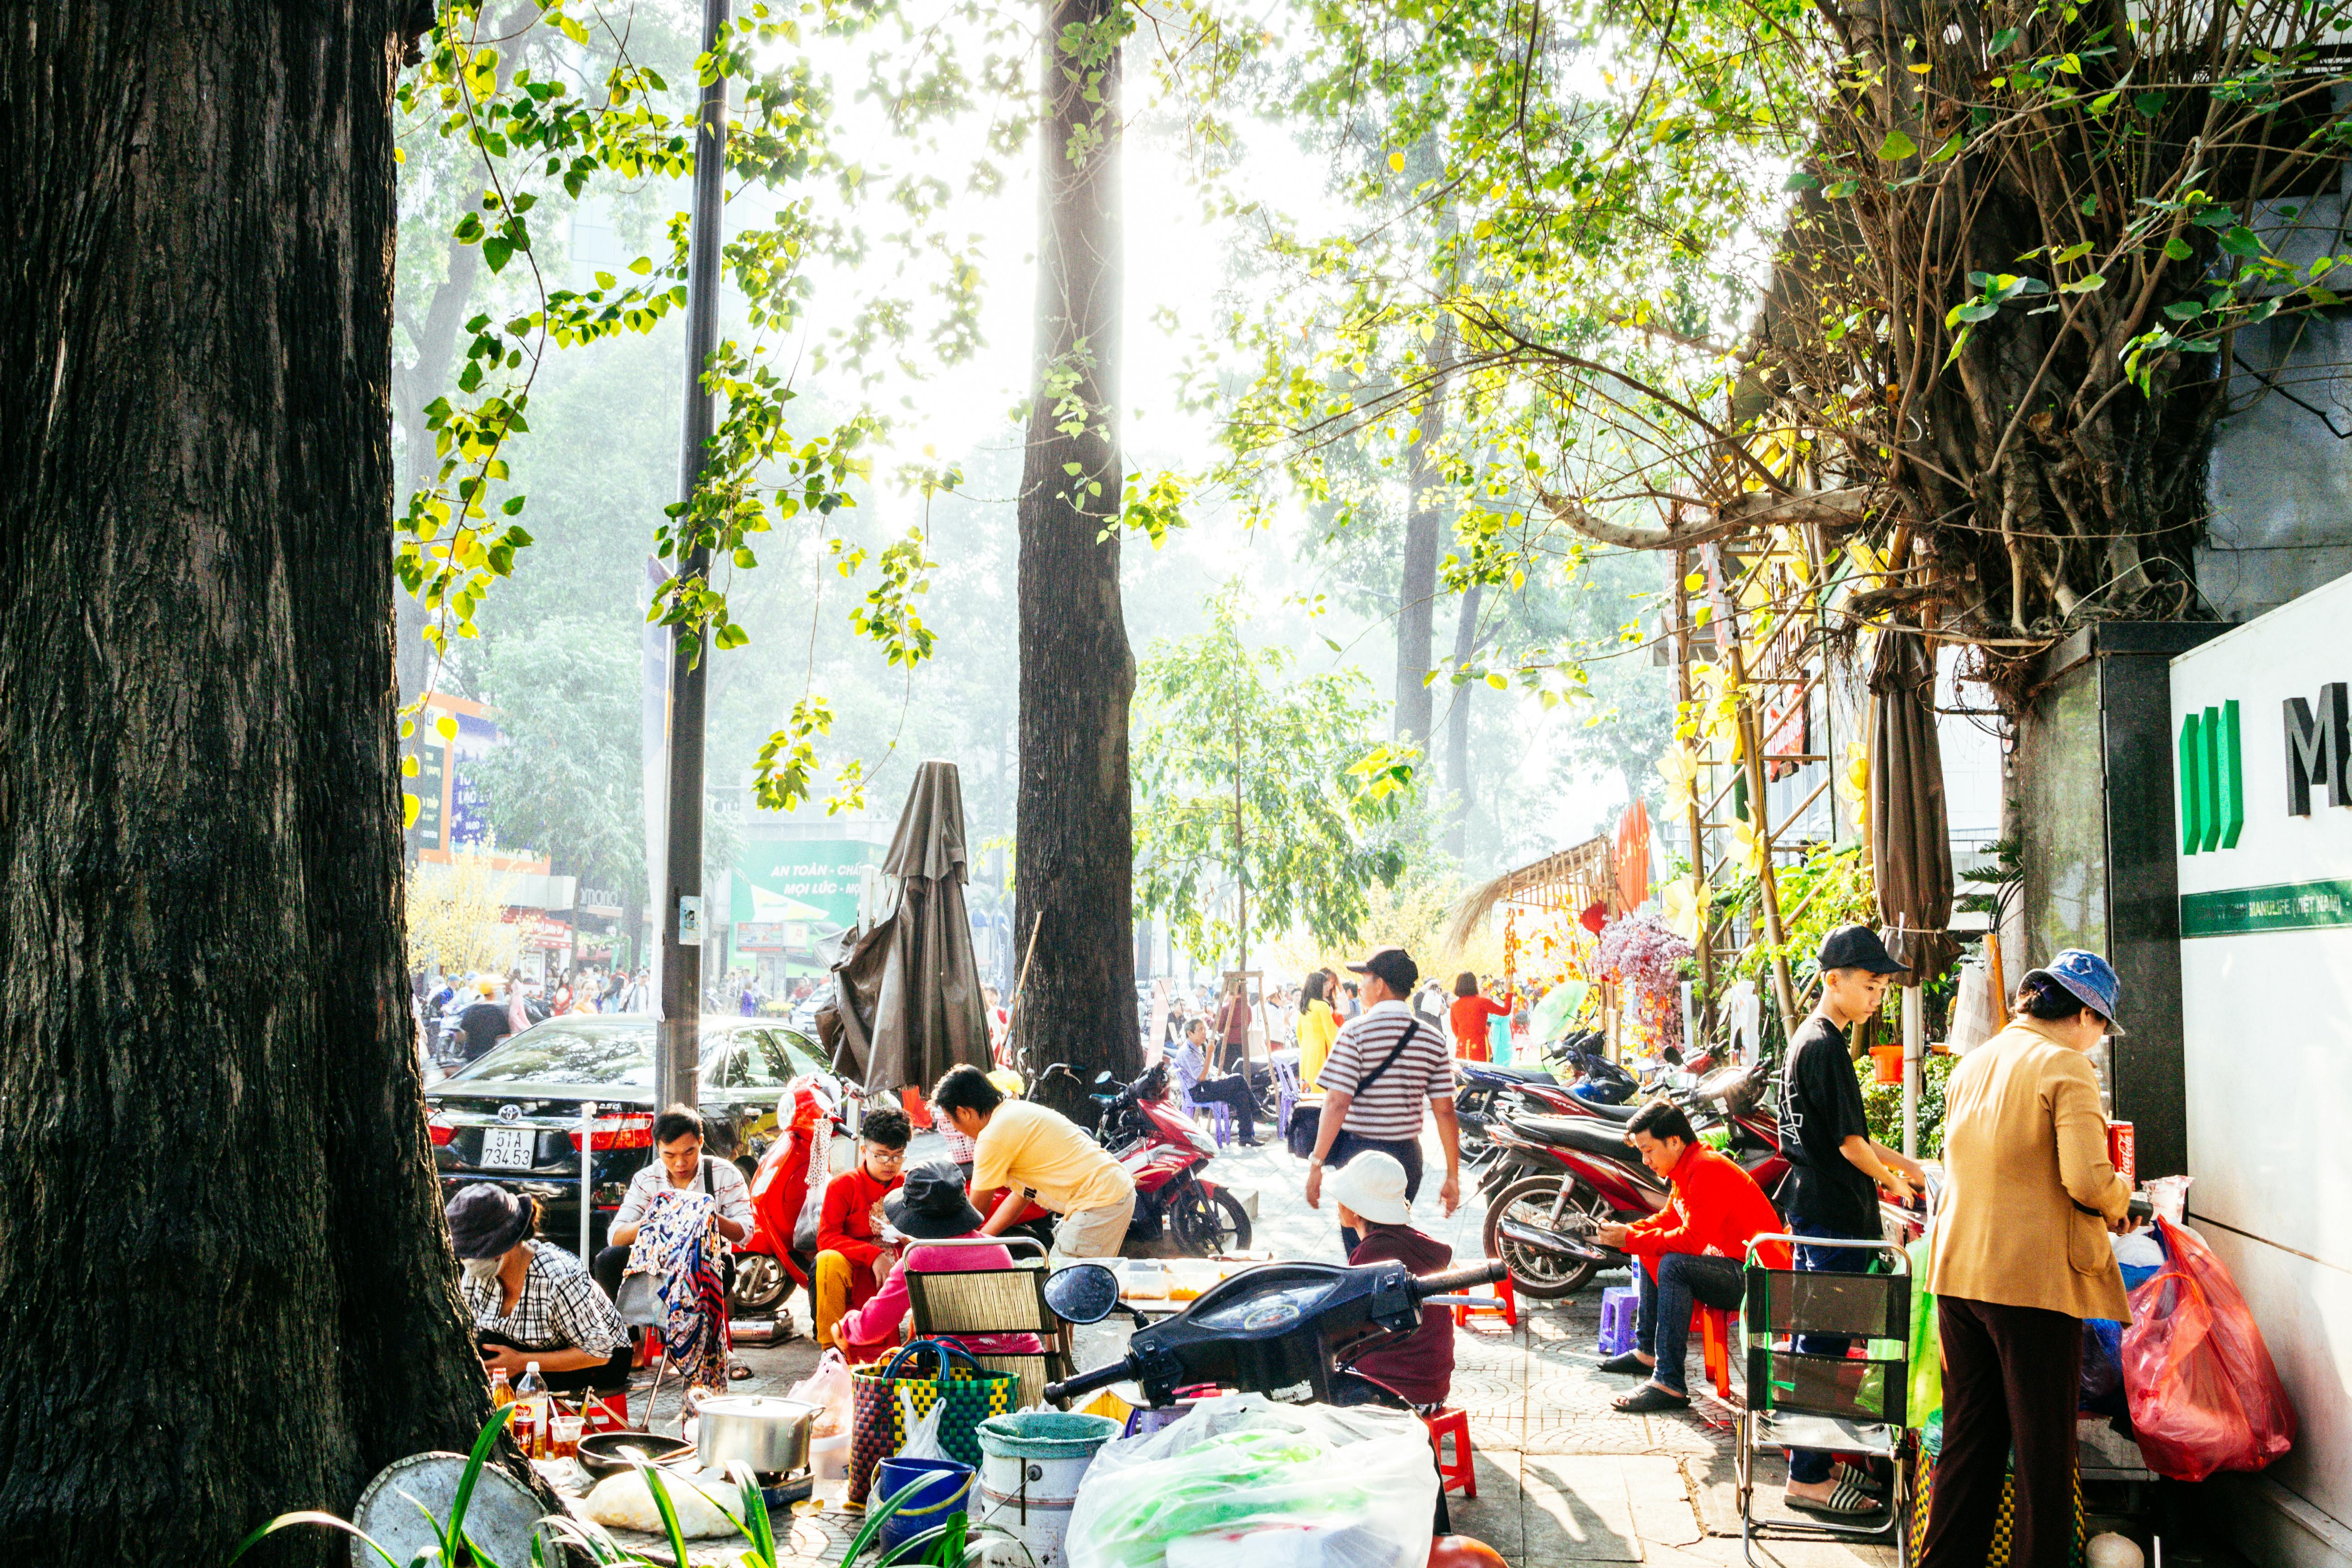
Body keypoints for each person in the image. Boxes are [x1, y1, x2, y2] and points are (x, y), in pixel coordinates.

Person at [1918, 953, 2133, 1568]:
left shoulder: (1976, 1062)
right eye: (2102, 1027)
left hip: (1960, 1277)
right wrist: (2124, 1199)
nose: (2099, 1041)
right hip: (2031, 1286)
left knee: (1969, 1446)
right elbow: (2089, 1180)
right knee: (2044, 1461)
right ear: (2086, 1015)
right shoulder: (2067, 1065)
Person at [1776, 925, 1927, 1517]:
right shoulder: (1827, 1046)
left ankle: (1815, 1459)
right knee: (1824, 1346)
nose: (1876, 1000)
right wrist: (1896, 1183)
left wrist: (1907, 1166)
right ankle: (1808, 1476)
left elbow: (1855, 1139)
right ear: (1832, 979)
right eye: (1870, 986)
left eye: (1883, 990)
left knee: (1819, 1342)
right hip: (1834, 1217)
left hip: (1817, 1211)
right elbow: (1848, 1146)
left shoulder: (1808, 1040)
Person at [1595, 1099, 1791, 1412]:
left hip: (1763, 1280)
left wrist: (1630, 1236)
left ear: (1674, 1141)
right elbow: (1668, 1220)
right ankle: (1648, 1352)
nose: (1645, 1161)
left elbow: (1690, 1241)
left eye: (1648, 1150)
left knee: (1673, 1264)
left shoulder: (1705, 1169)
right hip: (1737, 1267)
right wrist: (1629, 1232)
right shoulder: (1686, 1168)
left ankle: (1669, 1383)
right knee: (1648, 1247)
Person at [1303, 946, 1463, 1257]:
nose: (1360, 987)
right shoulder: (1431, 1039)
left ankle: (1374, 1302)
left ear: (1381, 985)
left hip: (1359, 1158)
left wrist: (1316, 1165)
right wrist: (1453, 1176)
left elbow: (1337, 1103)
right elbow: (1445, 1111)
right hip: (1406, 1160)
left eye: (1364, 979)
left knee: (1362, 1249)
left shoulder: (1355, 1032)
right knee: (1392, 1245)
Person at [830, 1161, 1048, 1362]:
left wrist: (846, 1327)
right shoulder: (996, 1247)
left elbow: (872, 1327)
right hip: (1029, 1363)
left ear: (916, 1217)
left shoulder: (918, 1256)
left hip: (965, 1374)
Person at [935, 1063, 1138, 1264]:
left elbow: (976, 1211)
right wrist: (985, 1238)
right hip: (1113, 1193)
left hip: (1100, 1201)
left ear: (963, 1112)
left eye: (950, 1119)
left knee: (1060, 1290)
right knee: (1079, 1285)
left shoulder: (992, 1136)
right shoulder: (1012, 1112)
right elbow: (1024, 1195)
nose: (955, 1127)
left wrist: (941, 1248)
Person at [448, 1184, 632, 1392]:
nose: (471, 1261)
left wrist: (521, 1362)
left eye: (480, 1252)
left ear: (510, 1241)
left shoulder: (559, 1276)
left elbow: (599, 1352)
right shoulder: (475, 1277)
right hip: (531, 1348)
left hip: (600, 1360)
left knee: (515, 1381)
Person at [1328, 1152, 1455, 1411]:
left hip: (1401, 1396)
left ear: (1354, 1208)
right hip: (1435, 1389)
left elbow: (1349, 1331)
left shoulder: (1371, 1255)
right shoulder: (1418, 1242)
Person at [593, 1105, 756, 1302]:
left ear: (701, 1142)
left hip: (711, 1266)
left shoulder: (724, 1173)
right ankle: (624, 1330)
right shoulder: (646, 1179)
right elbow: (616, 1237)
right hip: (656, 1264)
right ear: (658, 1148)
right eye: (670, 1155)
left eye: (689, 1152)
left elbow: (746, 1232)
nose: (680, 1163)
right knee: (608, 1259)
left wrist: (705, 1214)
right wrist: (658, 1217)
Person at [811, 1106, 911, 1352]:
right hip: (855, 1263)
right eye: (882, 1155)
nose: (891, 1164)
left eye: (898, 1156)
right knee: (826, 1260)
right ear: (865, 1151)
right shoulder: (843, 1186)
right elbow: (827, 1238)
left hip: (899, 1263)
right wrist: (873, 1255)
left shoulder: (910, 1186)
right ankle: (830, 1349)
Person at [1172, 1017, 1259, 1145]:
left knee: (1242, 1096)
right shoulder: (1187, 1052)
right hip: (1198, 1092)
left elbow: (1207, 1070)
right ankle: (1257, 1110)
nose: (1204, 1033)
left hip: (1207, 1086)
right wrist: (1209, 1054)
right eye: (1200, 1030)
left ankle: (1245, 1137)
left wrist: (1220, 1075)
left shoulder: (1196, 1048)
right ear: (1190, 1033)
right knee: (1239, 1079)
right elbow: (1201, 1077)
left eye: (1204, 1029)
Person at [1447, 972, 1510, 1063]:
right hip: (1480, 1046)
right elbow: (1506, 1011)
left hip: (1462, 1046)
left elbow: (1455, 1030)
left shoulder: (1454, 1006)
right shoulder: (1483, 1002)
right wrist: (1508, 991)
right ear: (1475, 985)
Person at [1295, 971, 1341, 1091]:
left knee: (1308, 1090)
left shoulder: (1304, 1006)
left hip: (1306, 1053)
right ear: (1317, 986)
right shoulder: (1323, 1006)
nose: (1328, 988)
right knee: (1322, 1092)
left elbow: (1299, 1033)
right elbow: (1332, 1034)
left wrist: (1306, 1047)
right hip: (1322, 1053)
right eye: (1325, 985)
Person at [454, 978, 514, 1063]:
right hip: (491, 1058)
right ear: (493, 995)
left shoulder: (471, 1011)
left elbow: (462, 1036)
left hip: (472, 1060)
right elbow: (505, 1036)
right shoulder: (498, 1012)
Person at [1214, 981, 1252, 1073]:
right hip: (1241, 1045)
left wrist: (1208, 1019)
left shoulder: (1226, 1009)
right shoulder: (1248, 1008)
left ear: (1230, 992)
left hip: (1227, 1046)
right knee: (1239, 1073)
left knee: (1224, 1074)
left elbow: (1217, 1028)